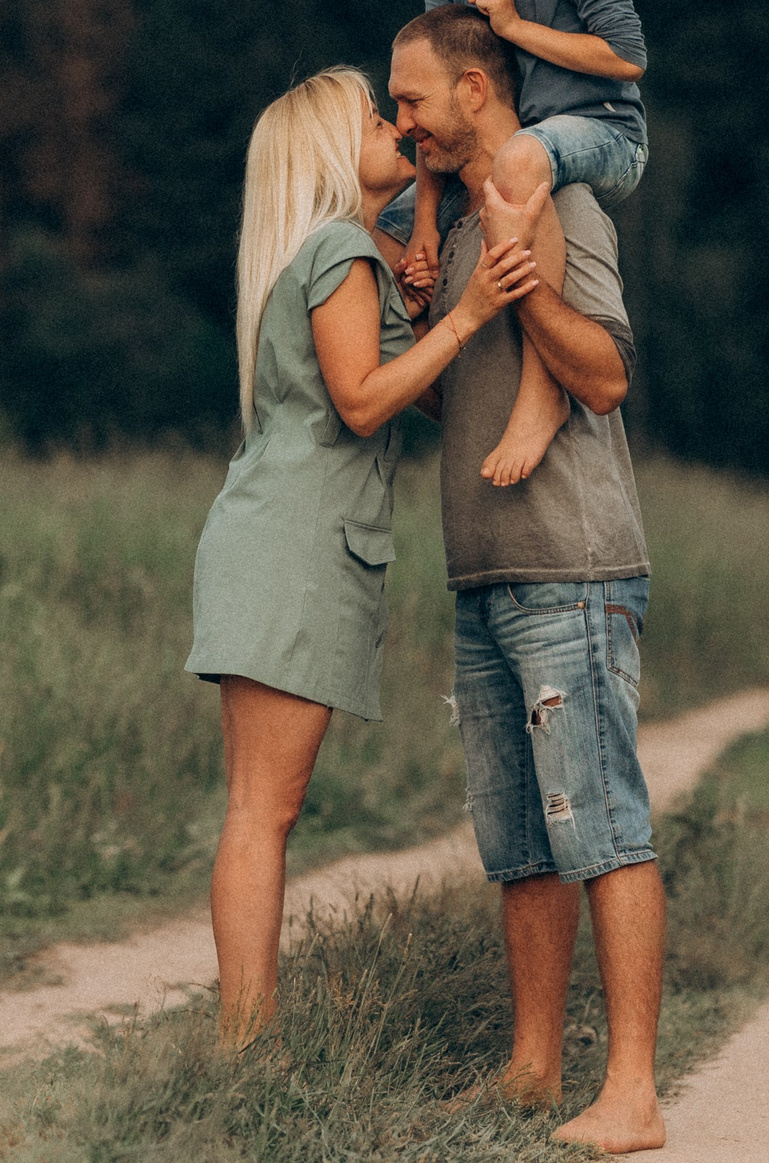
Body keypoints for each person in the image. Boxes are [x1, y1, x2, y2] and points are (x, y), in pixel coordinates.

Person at [186, 65, 539, 1051]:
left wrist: (422, 304)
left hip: (283, 542)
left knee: (263, 809)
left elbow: (415, 394)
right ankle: (243, 1044)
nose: (395, 126)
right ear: (329, 150)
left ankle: (242, 1039)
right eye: (374, 117)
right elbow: (364, 401)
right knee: (263, 811)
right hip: (291, 547)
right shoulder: (339, 245)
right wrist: (466, 319)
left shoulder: (342, 251)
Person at [388, 4, 666, 1155]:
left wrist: (524, 287)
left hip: (572, 560)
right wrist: (439, 318)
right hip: (483, 571)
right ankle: (532, 1071)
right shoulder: (444, 223)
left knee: (599, 823)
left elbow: (602, 373)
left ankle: (634, 1093)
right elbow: (475, 395)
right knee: (518, 840)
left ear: (474, 90)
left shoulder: (563, 200)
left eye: (412, 98)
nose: (401, 122)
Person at [382, 0, 650, 492]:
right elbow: (442, 94)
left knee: (522, 158)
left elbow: (628, 56)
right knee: (379, 215)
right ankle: (414, 377)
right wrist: (428, 222)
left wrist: (515, 24)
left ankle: (541, 394)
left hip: (600, 133)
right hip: (506, 150)